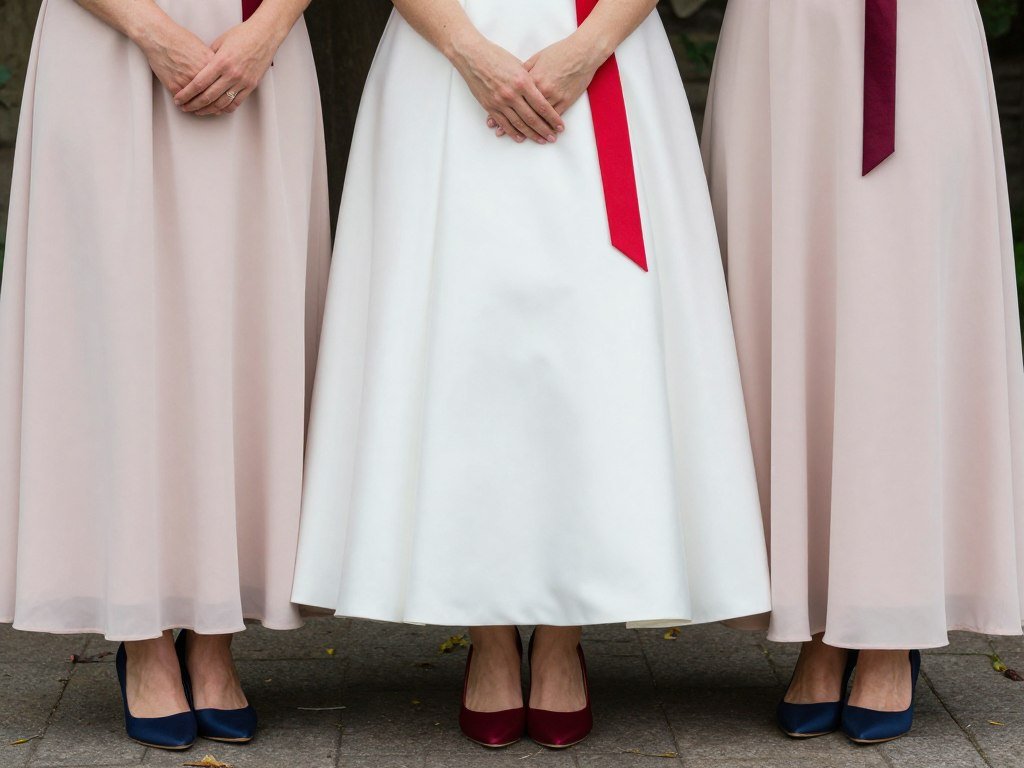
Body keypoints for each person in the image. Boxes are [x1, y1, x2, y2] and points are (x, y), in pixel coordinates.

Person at [291, 0, 772, 750]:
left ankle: (558, 638)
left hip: (600, 52)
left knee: (589, 349)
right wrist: (467, 48)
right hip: (444, 57)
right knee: (464, 348)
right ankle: (487, 636)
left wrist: (589, 46)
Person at [0, 0, 329, 750]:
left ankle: (215, 640)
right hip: (110, 41)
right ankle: (143, 639)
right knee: (120, 330)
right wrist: (151, 30)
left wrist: (270, 25)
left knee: (244, 320)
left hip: (258, 49)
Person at [702, 0, 1024, 744]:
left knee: (900, 313)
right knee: (793, 299)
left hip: (916, 32)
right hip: (782, 38)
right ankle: (820, 618)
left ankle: (888, 622)